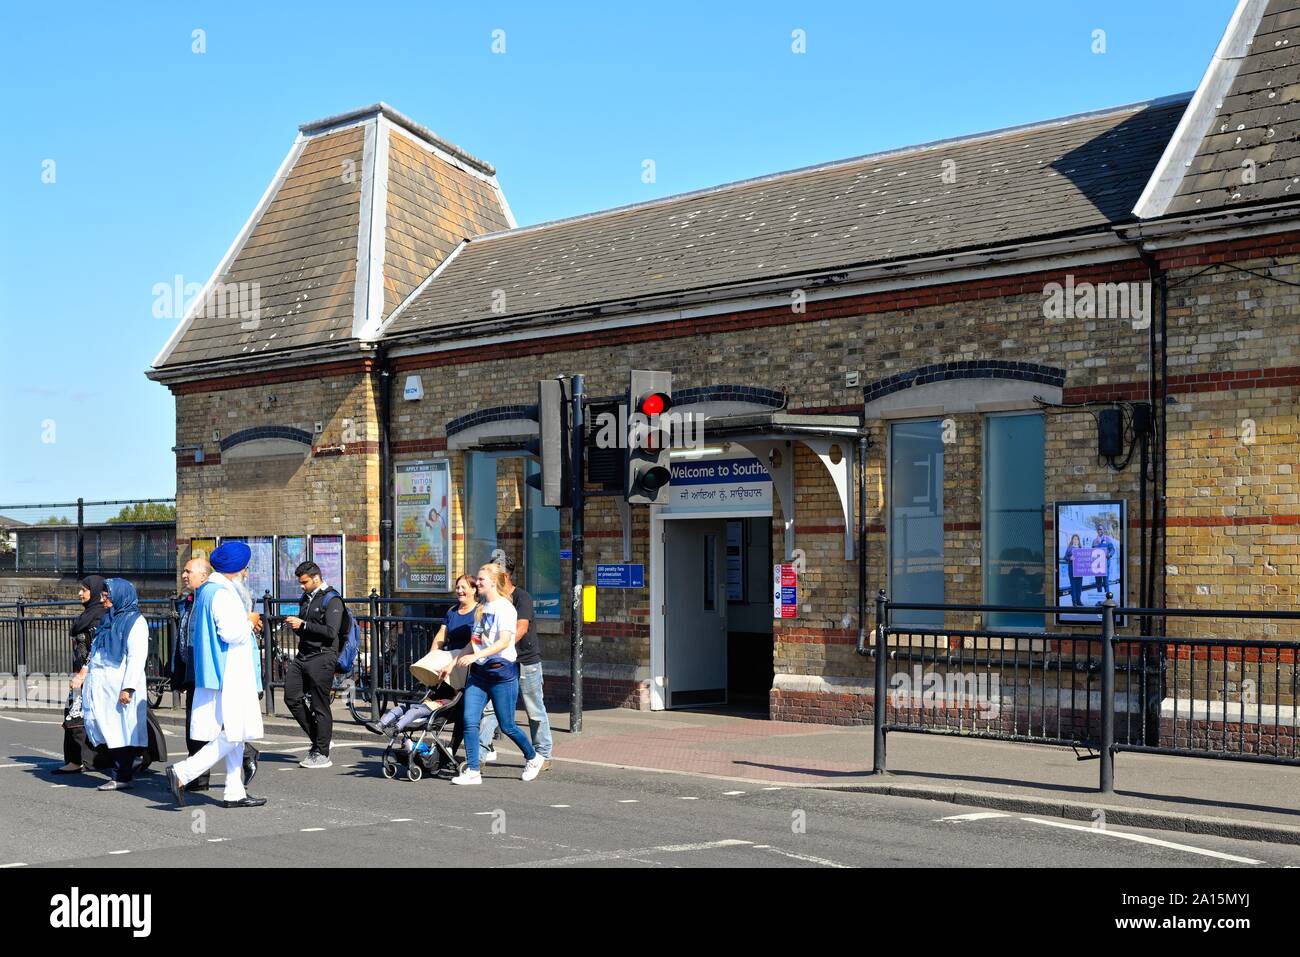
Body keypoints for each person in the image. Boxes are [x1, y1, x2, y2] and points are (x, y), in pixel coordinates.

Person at [166, 541, 266, 808]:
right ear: (239, 569)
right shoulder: (222, 593)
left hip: (221, 671)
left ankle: (235, 791)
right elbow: (231, 633)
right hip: (229, 672)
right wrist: (251, 621)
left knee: (236, 733)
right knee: (234, 732)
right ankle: (183, 772)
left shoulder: (210, 591)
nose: (246, 572)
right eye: (245, 567)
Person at [450, 564, 544, 786]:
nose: (478, 583)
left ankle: (533, 757)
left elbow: (504, 642)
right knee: (469, 720)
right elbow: (474, 640)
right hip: (479, 674)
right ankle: (473, 770)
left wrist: (476, 656)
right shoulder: (482, 608)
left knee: (507, 725)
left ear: (493, 582)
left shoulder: (505, 608)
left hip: (501, 673)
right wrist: (454, 661)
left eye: (481, 580)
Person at [477, 556, 552, 771]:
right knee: (491, 710)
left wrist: (501, 648)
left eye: (492, 574)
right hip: (498, 664)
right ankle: (479, 755)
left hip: (525, 661)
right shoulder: (489, 600)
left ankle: (543, 754)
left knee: (534, 710)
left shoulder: (522, 598)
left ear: (504, 576)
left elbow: (520, 628)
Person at [81, 579, 149, 791]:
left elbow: (137, 657)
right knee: (104, 727)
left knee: (120, 730)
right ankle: (126, 768)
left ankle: (122, 775)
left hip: (120, 684)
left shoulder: (135, 621)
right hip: (103, 684)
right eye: (102, 595)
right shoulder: (108, 619)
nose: (103, 599)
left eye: (107, 595)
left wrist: (128, 687)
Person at [283, 561, 345, 768]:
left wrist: (304, 625)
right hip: (303, 655)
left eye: (304, 582)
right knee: (291, 697)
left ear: (316, 578)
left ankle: (322, 753)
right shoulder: (306, 598)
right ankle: (320, 739)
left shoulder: (332, 599)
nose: (301, 586)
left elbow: (331, 632)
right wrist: (297, 626)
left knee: (320, 705)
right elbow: (305, 629)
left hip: (323, 656)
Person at [54, 575, 107, 774]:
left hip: (93, 675)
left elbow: (97, 649)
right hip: (81, 674)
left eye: (84, 590)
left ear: (94, 592)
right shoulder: (86, 616)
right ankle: (76, 760)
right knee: (73, 713)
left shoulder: (100, 617)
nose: (79, 593)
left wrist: (84, 672)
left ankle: (85, 760)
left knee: (79, 716)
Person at [1062, 534, 1085, 607]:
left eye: (1077, 539)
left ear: (1079, 541)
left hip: (1080, 570)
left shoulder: (1081, 549)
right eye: (1074, 539)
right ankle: (1074, 602)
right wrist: (1070, 558)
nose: (1075, 540)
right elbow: (1065, 557)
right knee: (1073, 586)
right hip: (1072, 569)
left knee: (1079, 586)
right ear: (1072, 540)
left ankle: (1079, 601)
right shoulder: (1070, 548)